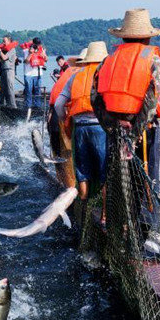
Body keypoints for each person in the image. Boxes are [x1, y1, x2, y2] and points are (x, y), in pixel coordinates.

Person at [93, 8, 160, 191]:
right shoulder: (153, 60)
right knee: (147, 179)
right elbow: (151, 103)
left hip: (114, 129)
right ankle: (148, 217)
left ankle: (121, 218)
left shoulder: (107, 60)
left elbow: (94, 98)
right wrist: (133, 134)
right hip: (142, 130)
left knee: (120, 180)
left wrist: (112, 124)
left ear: (123, 37)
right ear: (147, 38)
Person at [55, 41, 109, 225]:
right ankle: (104, 216)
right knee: (104, 171)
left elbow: (58, 105)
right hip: (100, 127)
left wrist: (66, 121)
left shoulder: (75, 77)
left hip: (79, 128)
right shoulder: (105, 74)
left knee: (82, 170)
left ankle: (84, 211)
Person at [47, 48, 86, 188]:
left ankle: (62, 183)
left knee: (58, 155)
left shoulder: (68, 72)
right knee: (70, 155)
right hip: (63, 116)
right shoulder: (80, 75)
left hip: (53, 114)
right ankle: (71, 188)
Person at [23, 37, 48, 109]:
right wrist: (30, 53)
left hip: (38, 73)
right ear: (33, 44)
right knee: (28, 91)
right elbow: (26, 62)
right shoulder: (26, 50)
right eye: (36, 44)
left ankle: (38, 106)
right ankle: (28, 107)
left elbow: (46, 60)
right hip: (28, 74)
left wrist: (44, 54)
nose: (38, 46)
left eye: (39, 44)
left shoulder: (41, 50)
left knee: (38, 91)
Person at [0, 35, 18, 108]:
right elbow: (1, 61)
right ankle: (4, 104)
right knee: (3, 88)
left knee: (10, 89)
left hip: (9, 70)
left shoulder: (12, 50)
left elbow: (4, 58)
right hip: (4, 70)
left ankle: (13, 106)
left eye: (5, 41)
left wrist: (0, 51)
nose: (3, 43)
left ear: (9, 41)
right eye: (3, 41)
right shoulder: (6, 50)